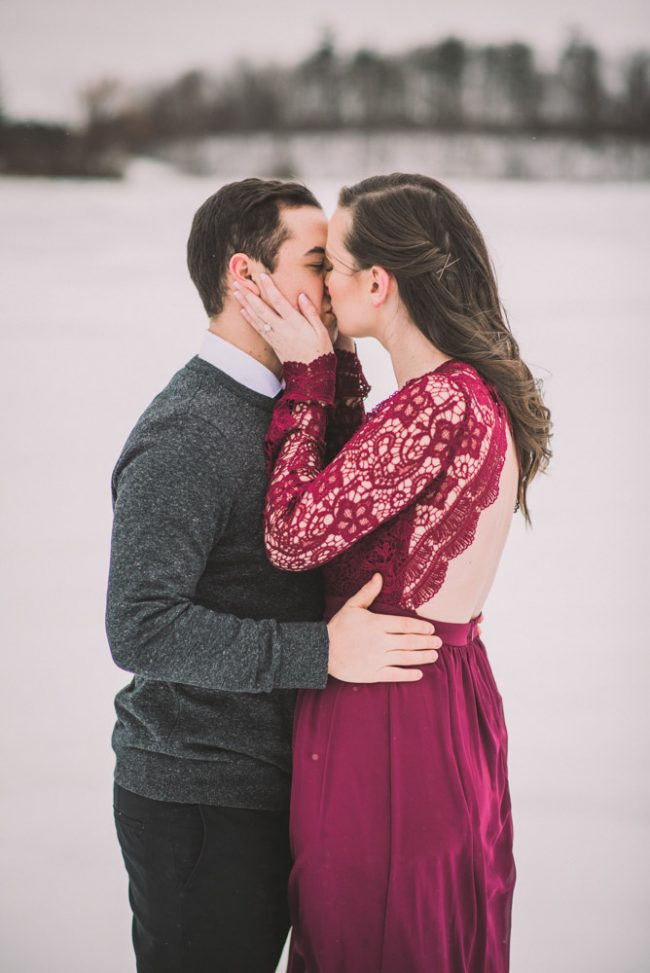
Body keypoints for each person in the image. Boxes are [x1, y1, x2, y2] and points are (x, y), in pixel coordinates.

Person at [105, 177, 445, 973]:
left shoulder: (293, 402)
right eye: (318, 263)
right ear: (245, 276)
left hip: (282, 786)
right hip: (199, 797)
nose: (334, 284)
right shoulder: (187, 430)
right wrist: (317, 652)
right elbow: (139, 625)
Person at [234, 172, 553, 972]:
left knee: (373, 934)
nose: (322, 288)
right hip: (441, 693)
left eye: (332, 267)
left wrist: (308, 381)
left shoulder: (435, 406)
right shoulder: (465, 392)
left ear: (377, 283)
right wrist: (339, 366)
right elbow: (365, 491)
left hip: (389, 718)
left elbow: (293, 535)